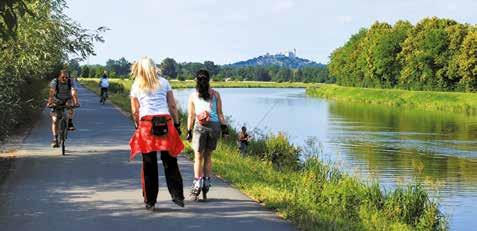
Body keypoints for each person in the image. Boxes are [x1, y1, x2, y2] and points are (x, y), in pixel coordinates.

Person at [128, 57, 185, 210]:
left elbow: (135, 110)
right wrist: (177, 124)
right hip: (165, 123)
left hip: (146, 125)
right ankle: (177, 195)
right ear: (154, 67)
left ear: (139, 69)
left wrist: (137, 125)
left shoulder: (136, 85)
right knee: (170, 160)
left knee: (149, 164)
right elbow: (172, 105)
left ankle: (150, 201)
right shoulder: (164, 82)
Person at [186, 69, 229, 201]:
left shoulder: (193, 95)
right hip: (215, 126)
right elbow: (220, 113)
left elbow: (191, 115)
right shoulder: (216, 94)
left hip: (200, 125)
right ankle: (206, 183)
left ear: (196, 80)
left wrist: (188, 131)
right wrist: (225, 129)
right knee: (208, 156)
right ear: (209, 80)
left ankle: (197, 183)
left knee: (198, 157)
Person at [46, 70, 80, 148]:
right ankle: (55, 139)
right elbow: (52, 92)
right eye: (63, 77)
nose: (65, 78)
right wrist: (49, 102)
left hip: (67, 99)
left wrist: (76, 102)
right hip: (57, 100)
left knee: (70, 106)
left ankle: (70, 122)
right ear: (59, 76)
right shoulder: (55, 81)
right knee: (54, 120)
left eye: (66, 77)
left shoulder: (70, 81)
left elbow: (73, 91)